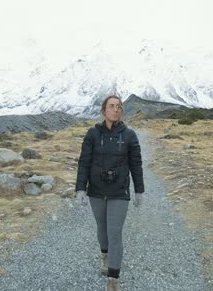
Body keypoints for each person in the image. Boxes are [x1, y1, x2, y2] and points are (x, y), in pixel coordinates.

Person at [75, 94, 145, 291]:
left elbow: (136, 165)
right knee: (102, 229)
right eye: (112, 106)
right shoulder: (92, 134)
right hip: (96, 191)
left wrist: (139, 190)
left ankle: (113, 278)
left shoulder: (129, 135)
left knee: (114, 233)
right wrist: (80, 188)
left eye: (119, 106)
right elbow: (84, 162)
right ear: (103, 110)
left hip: (119, 192)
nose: (116, 109)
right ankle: (104, 255)